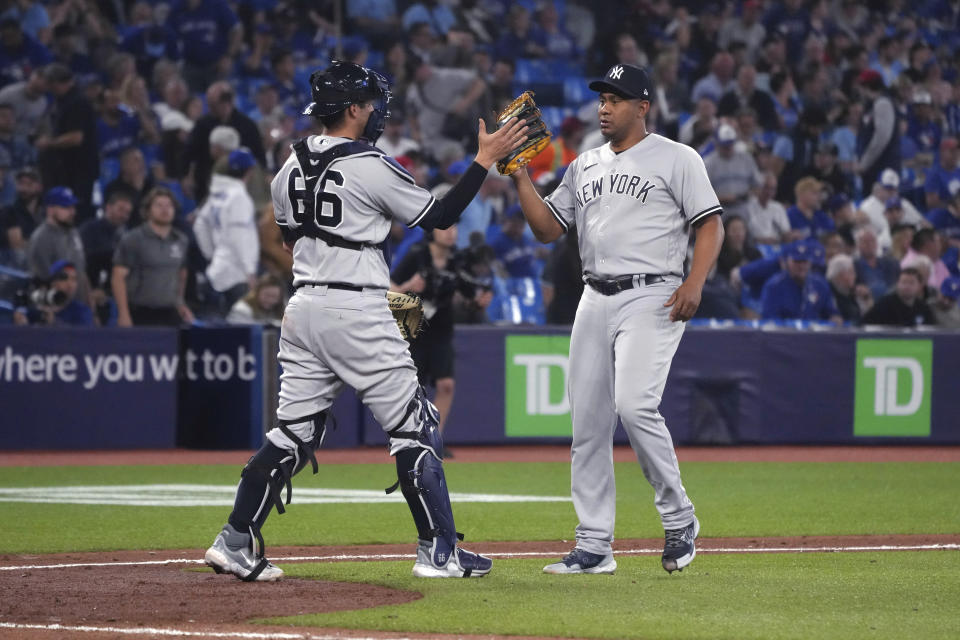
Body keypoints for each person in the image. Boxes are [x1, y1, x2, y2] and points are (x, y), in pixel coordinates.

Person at [203, 61, 527, 582]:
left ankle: (235, 538)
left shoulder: (288, 167)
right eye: (371, 103)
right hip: (356, 305)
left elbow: (289, 239)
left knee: (294, 430)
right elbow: (439, 217)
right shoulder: (369, 163)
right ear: (352, 108)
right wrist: (483, 161)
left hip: (303, 303)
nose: (376, 111)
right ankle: (438, 552)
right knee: (415, 425)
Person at [508, 63, 724, 575]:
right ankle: (594, 544)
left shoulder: (677, 158)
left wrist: (695, 282)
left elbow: (711, 224)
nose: (605, 106)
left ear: (642, 107)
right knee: (587, 423)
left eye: (617, 98)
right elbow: (546, 229)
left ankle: (678, 518)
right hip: (594, 295)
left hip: (654, 295)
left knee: (634, 404)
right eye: (602, 98)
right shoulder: (584, 165)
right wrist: (519, 175)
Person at [391, 223, 492, 455]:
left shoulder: (457, 260)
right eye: (445, 227)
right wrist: (409, 286)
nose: (451, 232)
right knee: (413, 386)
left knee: (446, 384)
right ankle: (409, 437)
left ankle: (436, 437)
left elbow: (468, 297)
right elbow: (390, 288)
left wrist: (478, 301)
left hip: (441, 327)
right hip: (414, 325)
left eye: (456, 228)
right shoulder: (417, 254)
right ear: (432, 232)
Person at [111, 186, 193, 327]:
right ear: (148, 211)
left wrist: (180, 302)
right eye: (159, 205)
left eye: (169, 205)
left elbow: (182, 273)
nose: (165, 209)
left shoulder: (181, 240)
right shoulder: (133, 239)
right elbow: (118, 277)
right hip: (140, 312)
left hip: (169, 312)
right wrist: (123, 313)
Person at [193, 148, 259, 317]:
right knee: (240, 327)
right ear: (249, 171)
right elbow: (240, 235)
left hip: (217, 268)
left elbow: (200, 225)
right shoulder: (238, 197)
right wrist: (249, 270)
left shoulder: (218, 195)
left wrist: (212, 253)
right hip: (237, 274)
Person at [27, 186, 91, 309]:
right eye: (66, 207)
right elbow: (42, 280)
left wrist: (91, 308)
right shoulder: (41, 238)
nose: (73, 212)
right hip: (56, 308)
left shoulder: (73, 232)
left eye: (73, 207)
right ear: (50, 210)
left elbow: (81, 271)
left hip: (79, 306)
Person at [760, 241, 842, 324]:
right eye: (797, 261)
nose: (802, 266)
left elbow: (832, 313)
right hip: (785, 334)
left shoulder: (820, 284)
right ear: (787, 262)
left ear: (810, 262)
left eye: (805, 261)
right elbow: (770, 320)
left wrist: (835, 319)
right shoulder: (774, 286)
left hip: (815, 335)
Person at [704, 123, 761, 220]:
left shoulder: (746, 159)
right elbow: (702, 195)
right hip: (719, 211)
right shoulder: (708, 163)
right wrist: (723, 198)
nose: (728, 148)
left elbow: (757, 186)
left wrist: (748, 194)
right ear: (716, 144)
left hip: (744, 207)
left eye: (731, 144)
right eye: (725, 146)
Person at [861, 267, 935, 327]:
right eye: (903, 282)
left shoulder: (923, 308)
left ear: (919, 286)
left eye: (911, 283)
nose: (906, 286)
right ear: (897, 284)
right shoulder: (884, 304)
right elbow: (864, 324)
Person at [853, 226, 899, 300]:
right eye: (865, 241)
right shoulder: (853, 266)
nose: (869, 244)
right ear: (857, 245)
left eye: (872, 241)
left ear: (877, 244)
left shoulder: (891, 263)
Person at [746, 171, 791, 244]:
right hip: (755, 248)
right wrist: (762, 240)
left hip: (776, 246)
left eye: (773, 189)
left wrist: (789, 236)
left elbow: (786, 232)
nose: (769, 192)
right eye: (766, 187)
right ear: (758, 187)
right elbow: (746, 235)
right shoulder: (747, 206)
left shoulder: (778, 207)